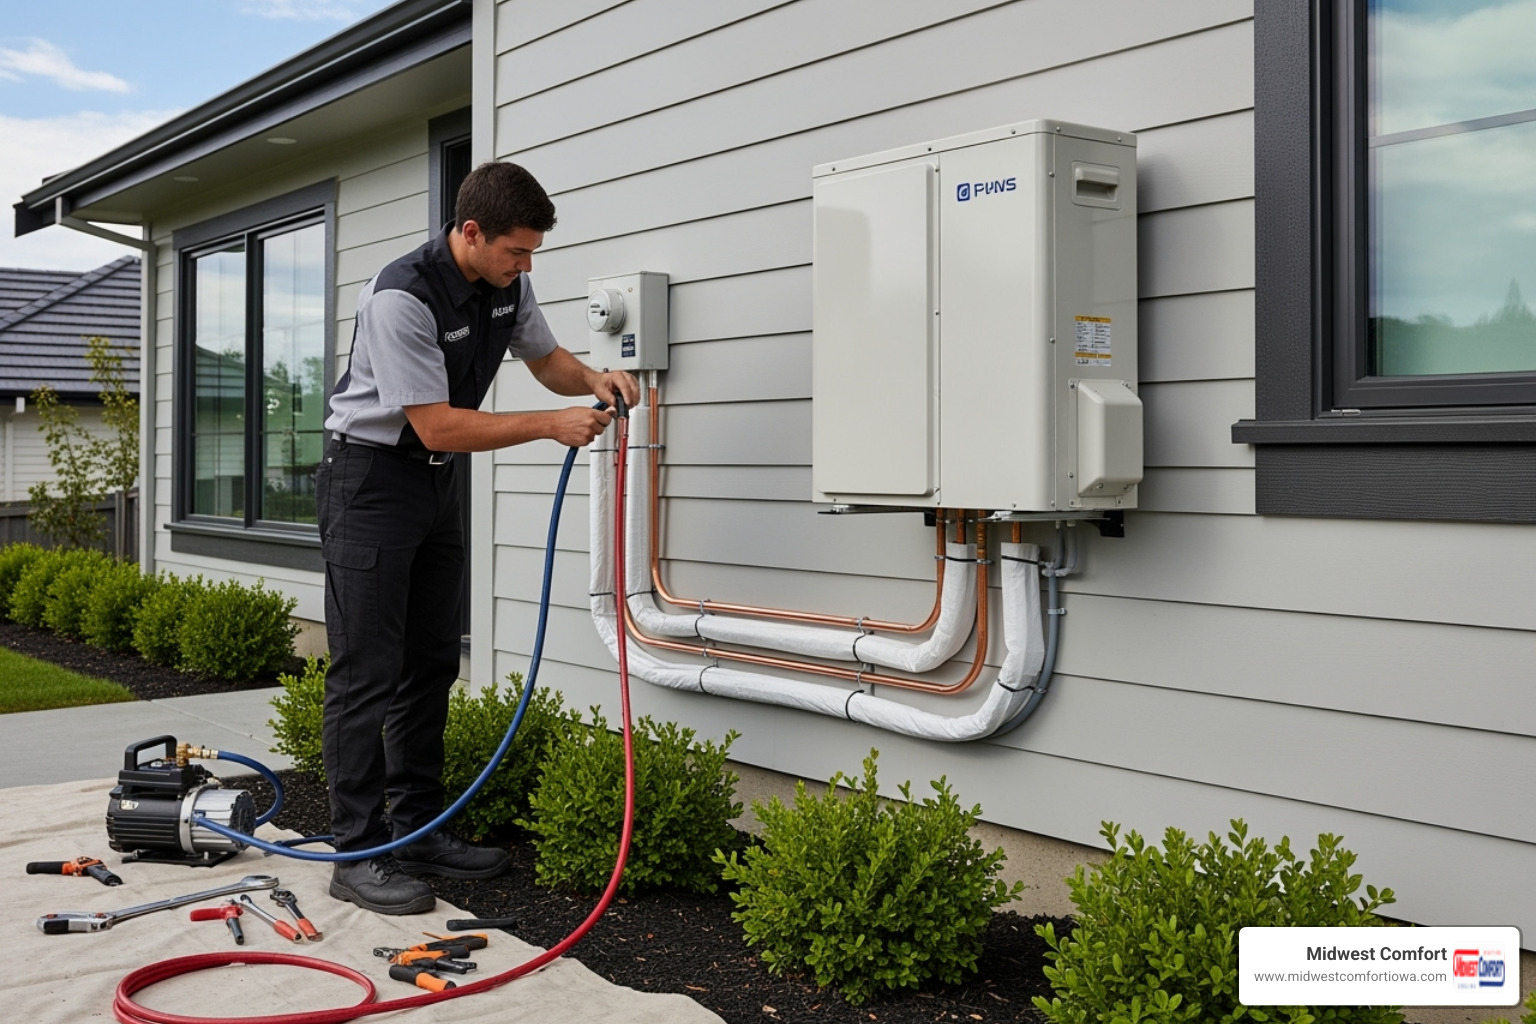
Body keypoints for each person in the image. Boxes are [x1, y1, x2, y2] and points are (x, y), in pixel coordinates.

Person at [316, 161, 639, 915]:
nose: (526, 266)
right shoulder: (401, 296)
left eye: (531, 254)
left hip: (432, 485)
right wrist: (550, 425)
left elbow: (547, 361)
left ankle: (417, 828)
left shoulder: (506, 285)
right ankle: (356, 852)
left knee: (430, 660)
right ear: (470, 232)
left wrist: (591, 379)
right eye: (515, 252)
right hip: (369, 481)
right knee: (367, 670)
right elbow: (436, 422)